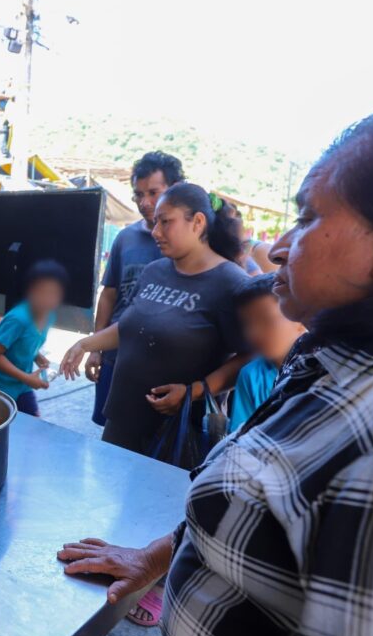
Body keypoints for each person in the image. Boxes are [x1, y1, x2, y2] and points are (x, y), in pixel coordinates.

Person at [57, 100, 373, 636]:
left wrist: (198, 390)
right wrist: (159, 555)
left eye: (308, 217)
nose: (277, 247)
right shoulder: (336, 359)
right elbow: (251, 504)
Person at [62, 183, 251, 456]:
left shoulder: (230, 283)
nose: (155, 232)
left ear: (197, 222)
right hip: (123, 418)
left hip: (177, 431)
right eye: (155, 223)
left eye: (166, 222)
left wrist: (194, 392)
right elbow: (132, 326)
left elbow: (250, 356)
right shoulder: (155, 271)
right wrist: (86, 344)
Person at [87, 151, 184, 425]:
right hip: (117, 358)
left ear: (175, 189)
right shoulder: (126, 238)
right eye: (138, 195)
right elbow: (109, 295)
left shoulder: (194, 244)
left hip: (165, 368)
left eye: (153, 192)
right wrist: (96, 348)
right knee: (112, 437)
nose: (145, 202)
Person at [0, 260, 68, 416]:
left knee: (33, 424)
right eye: (42, 292)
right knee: (1, 429)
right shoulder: (18, 319)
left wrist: (37, 356)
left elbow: (25, 343)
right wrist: (27, 378)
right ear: (30, 291)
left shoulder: (49, 315)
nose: (48, 299)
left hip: (21, 386)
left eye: (54, 293)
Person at [228, 273, 304, 429]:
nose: (253, 333)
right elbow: (240, 434)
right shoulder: (250, 375)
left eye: (266, 321)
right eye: (247, 323)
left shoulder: (322, 369)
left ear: (301, 320)